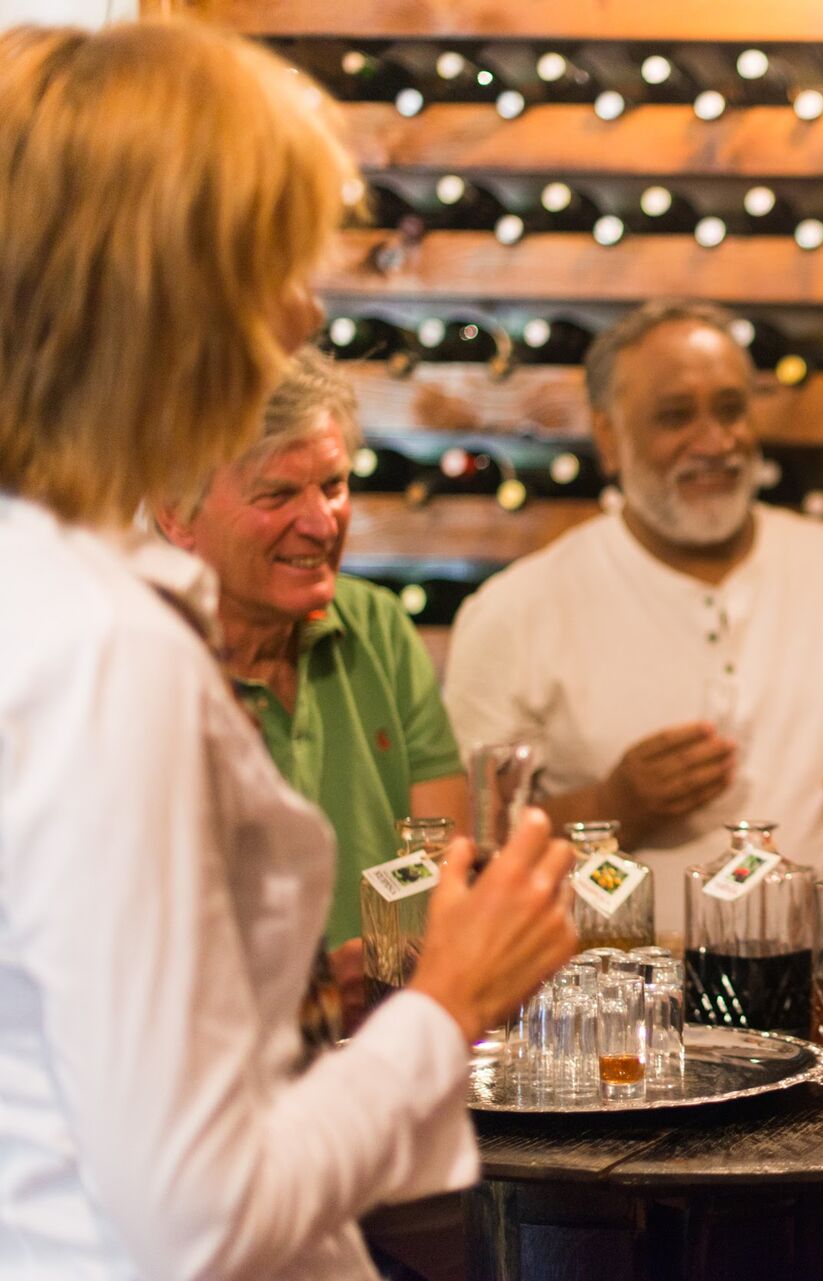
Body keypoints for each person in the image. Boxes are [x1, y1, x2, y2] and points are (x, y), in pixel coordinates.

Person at [0, 22, 576, 1278]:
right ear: (162, 299)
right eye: (273, 264)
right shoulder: (108, 656)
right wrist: (448, 1004)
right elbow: (201, 1217)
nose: (308, 309)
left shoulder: (40, 589)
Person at [443, 299, 823, 936]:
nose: (717, 442)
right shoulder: (514, 610)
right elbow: (471, 846)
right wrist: (612, 806)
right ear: (608, 438)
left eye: (731, 409)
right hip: (612, 990)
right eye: (675, 416)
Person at [154, 347, 468, 955]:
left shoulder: (377, 626)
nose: (323, 524)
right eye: (277, 496)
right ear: (176, 515)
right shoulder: (141, 661)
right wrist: (311, 991)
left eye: (333, 486)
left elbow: (444, 874)